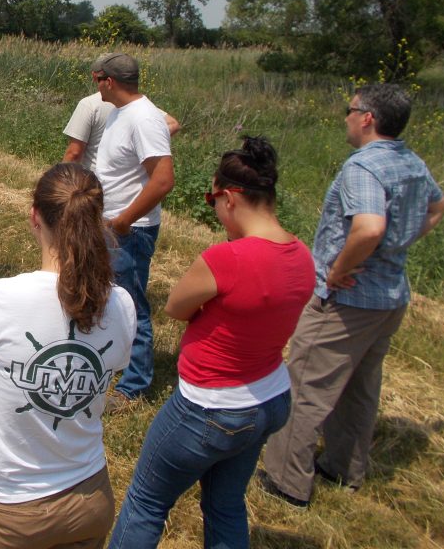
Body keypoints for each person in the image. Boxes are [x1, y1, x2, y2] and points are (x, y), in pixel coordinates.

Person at [109, 136, 314, 549]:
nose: (216, 210)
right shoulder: (302, 255)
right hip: (270, 398)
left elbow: (176, 307)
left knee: (147, 501)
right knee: (226, 504)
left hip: (209, 408)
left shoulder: (226, 259)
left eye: (212, 199)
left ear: (231, 197)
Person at [259, 83, 444, 508]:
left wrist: (339, 270)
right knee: (360, 387)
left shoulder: (364, 167)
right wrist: (396, 249)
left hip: (348, 301)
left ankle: (287, 481)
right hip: (391, 297)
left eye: (350, 109)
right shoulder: (411, 161)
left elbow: (369, 227)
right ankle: (344, 468)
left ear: (367, 118)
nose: (345, 116)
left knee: (306, 383)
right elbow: (438, 207)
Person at [0, 163, 136, 549]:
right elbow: (104, 371)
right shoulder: (124, 305)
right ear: (97, 222)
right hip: (90, 498)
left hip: (2, 510)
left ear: (34, 217)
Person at [92, 53, 175, 407]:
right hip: (111, 225)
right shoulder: (124, 114)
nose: (94, 84)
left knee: (132, 307)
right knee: (112, 301)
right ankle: (112, 366)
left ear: (108, 81)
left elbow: (163, 180)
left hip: (130, 231)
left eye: (96, 78)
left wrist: (124, 220)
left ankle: (134, 388)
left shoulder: (142, 118)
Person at [63, 53, 181, 171]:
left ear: (97, 76)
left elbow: (74, 153)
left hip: (94, 179)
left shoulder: (89, 104)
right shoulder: (137, 105)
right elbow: (173, 124)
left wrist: (59, 183)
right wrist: (139, 145)